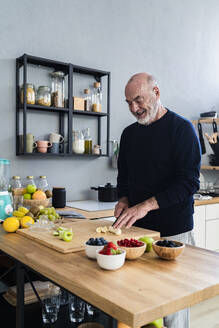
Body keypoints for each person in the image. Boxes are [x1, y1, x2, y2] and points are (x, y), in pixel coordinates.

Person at [113, 72, 201, 328]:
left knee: (173, 303)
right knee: (139, 298)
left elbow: (189, 183)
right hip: (138, 231)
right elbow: (124, 177)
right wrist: (125, 199)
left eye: (138, 100)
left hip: (174, 230)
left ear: (156, 93)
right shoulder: (129, 134)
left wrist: (145, 205)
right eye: (128, 103)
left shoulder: (182, 129)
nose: (134, 108)